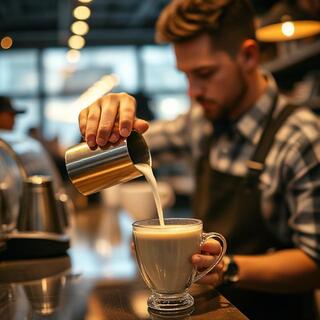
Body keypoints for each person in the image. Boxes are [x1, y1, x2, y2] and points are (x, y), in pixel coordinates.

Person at [77, 0, 320, 318]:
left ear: (248, 56)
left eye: (204, 74)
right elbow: (140, 147)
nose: (192, 91)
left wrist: (228, 268)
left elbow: (315, 262)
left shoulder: (301, 139)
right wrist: (110, 124)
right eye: (186, 76)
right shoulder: (201, 123)